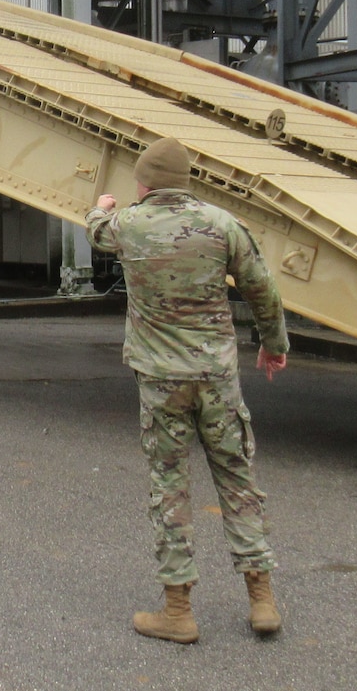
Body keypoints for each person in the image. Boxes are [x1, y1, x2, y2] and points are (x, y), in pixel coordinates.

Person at [86, 136, 289, 643]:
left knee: (170, 486)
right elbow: (262, 286)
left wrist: (100, 207)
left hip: (160, 381)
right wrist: (273, 343)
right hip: (216, 378)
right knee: (238, 480)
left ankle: (178, 611)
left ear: (146, 181)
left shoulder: (129, 226)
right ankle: (262, 600)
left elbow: (97, 233)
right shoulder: (222, 225)